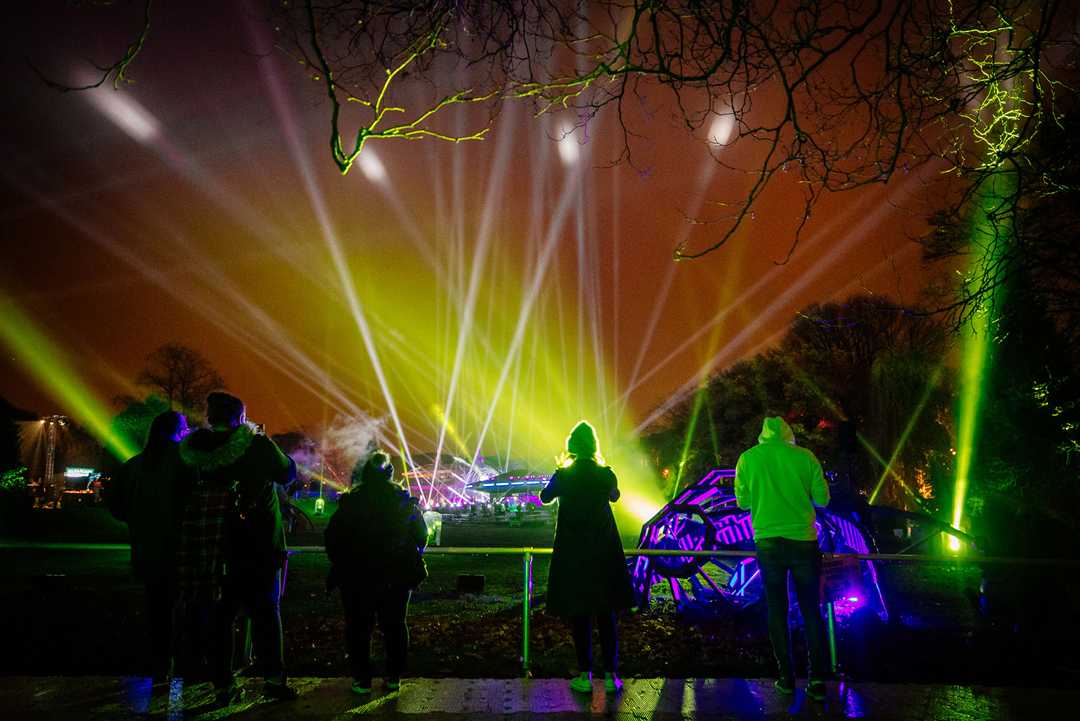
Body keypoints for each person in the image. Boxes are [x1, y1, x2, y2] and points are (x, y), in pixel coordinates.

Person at [179, 392, 297, 701]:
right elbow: (288, 472)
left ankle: (223, 684)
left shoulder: (193, 450)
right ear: (241, 417)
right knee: (266, 614)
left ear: (210, 417)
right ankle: (273, 679)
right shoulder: (256, 445)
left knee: (220, 616)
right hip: (258, 544)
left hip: (212, 546)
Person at [735, 416, 831, 701]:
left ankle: (786, 678)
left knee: (777, 610)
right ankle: (817, 681)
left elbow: (742, 502)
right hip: (803, 541)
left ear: (762, 435)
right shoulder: (805, 457)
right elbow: (823, 500)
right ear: (789, 434)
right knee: (811, 611)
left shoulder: (748, 459)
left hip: (767, 543)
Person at [540, 421, 633, 694]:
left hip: (574, 552)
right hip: (603, 551)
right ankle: (612, 675)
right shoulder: (605, 473)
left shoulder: (563, 475)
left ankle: (585, 674)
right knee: (607, 615)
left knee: (580, 614)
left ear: (571, 447)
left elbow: (545, 497)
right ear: (594, 446)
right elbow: (615, 496)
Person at [325, 450, 427, 694]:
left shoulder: (351, 502)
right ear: (391, 473)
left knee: (359, 627)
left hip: (357, 575)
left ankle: (361, 679)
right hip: (396, 575)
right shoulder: (403, 501)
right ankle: (393, 677)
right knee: (395, 626)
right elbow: (421, 536)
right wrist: (411, 556)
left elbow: (332, 537)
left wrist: (342, 564)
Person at [106, 410, 193, 681]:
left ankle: (160, 662)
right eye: (185, 426)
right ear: (178, 431)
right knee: (185, 607)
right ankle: (182, 661)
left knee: (157, 607)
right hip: (181, 548)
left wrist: (138, 520)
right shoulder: (186, 463)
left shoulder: (133, 466)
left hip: (146, 548)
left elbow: (116, 504)